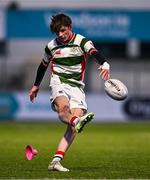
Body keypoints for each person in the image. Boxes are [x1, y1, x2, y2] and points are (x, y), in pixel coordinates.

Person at [29, 13, 110, 172]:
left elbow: (94, 52)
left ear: (70, 27)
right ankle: (75, 121)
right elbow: (43, 65)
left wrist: (105, 63)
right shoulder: (51, 46)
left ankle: (56, 161)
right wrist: (36, 85)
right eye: (57, 32)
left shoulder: (82, 41)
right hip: (58, 82)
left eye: (63, 30)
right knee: (63, 110)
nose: (60, 35)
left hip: (77, 87)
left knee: (73, 125)